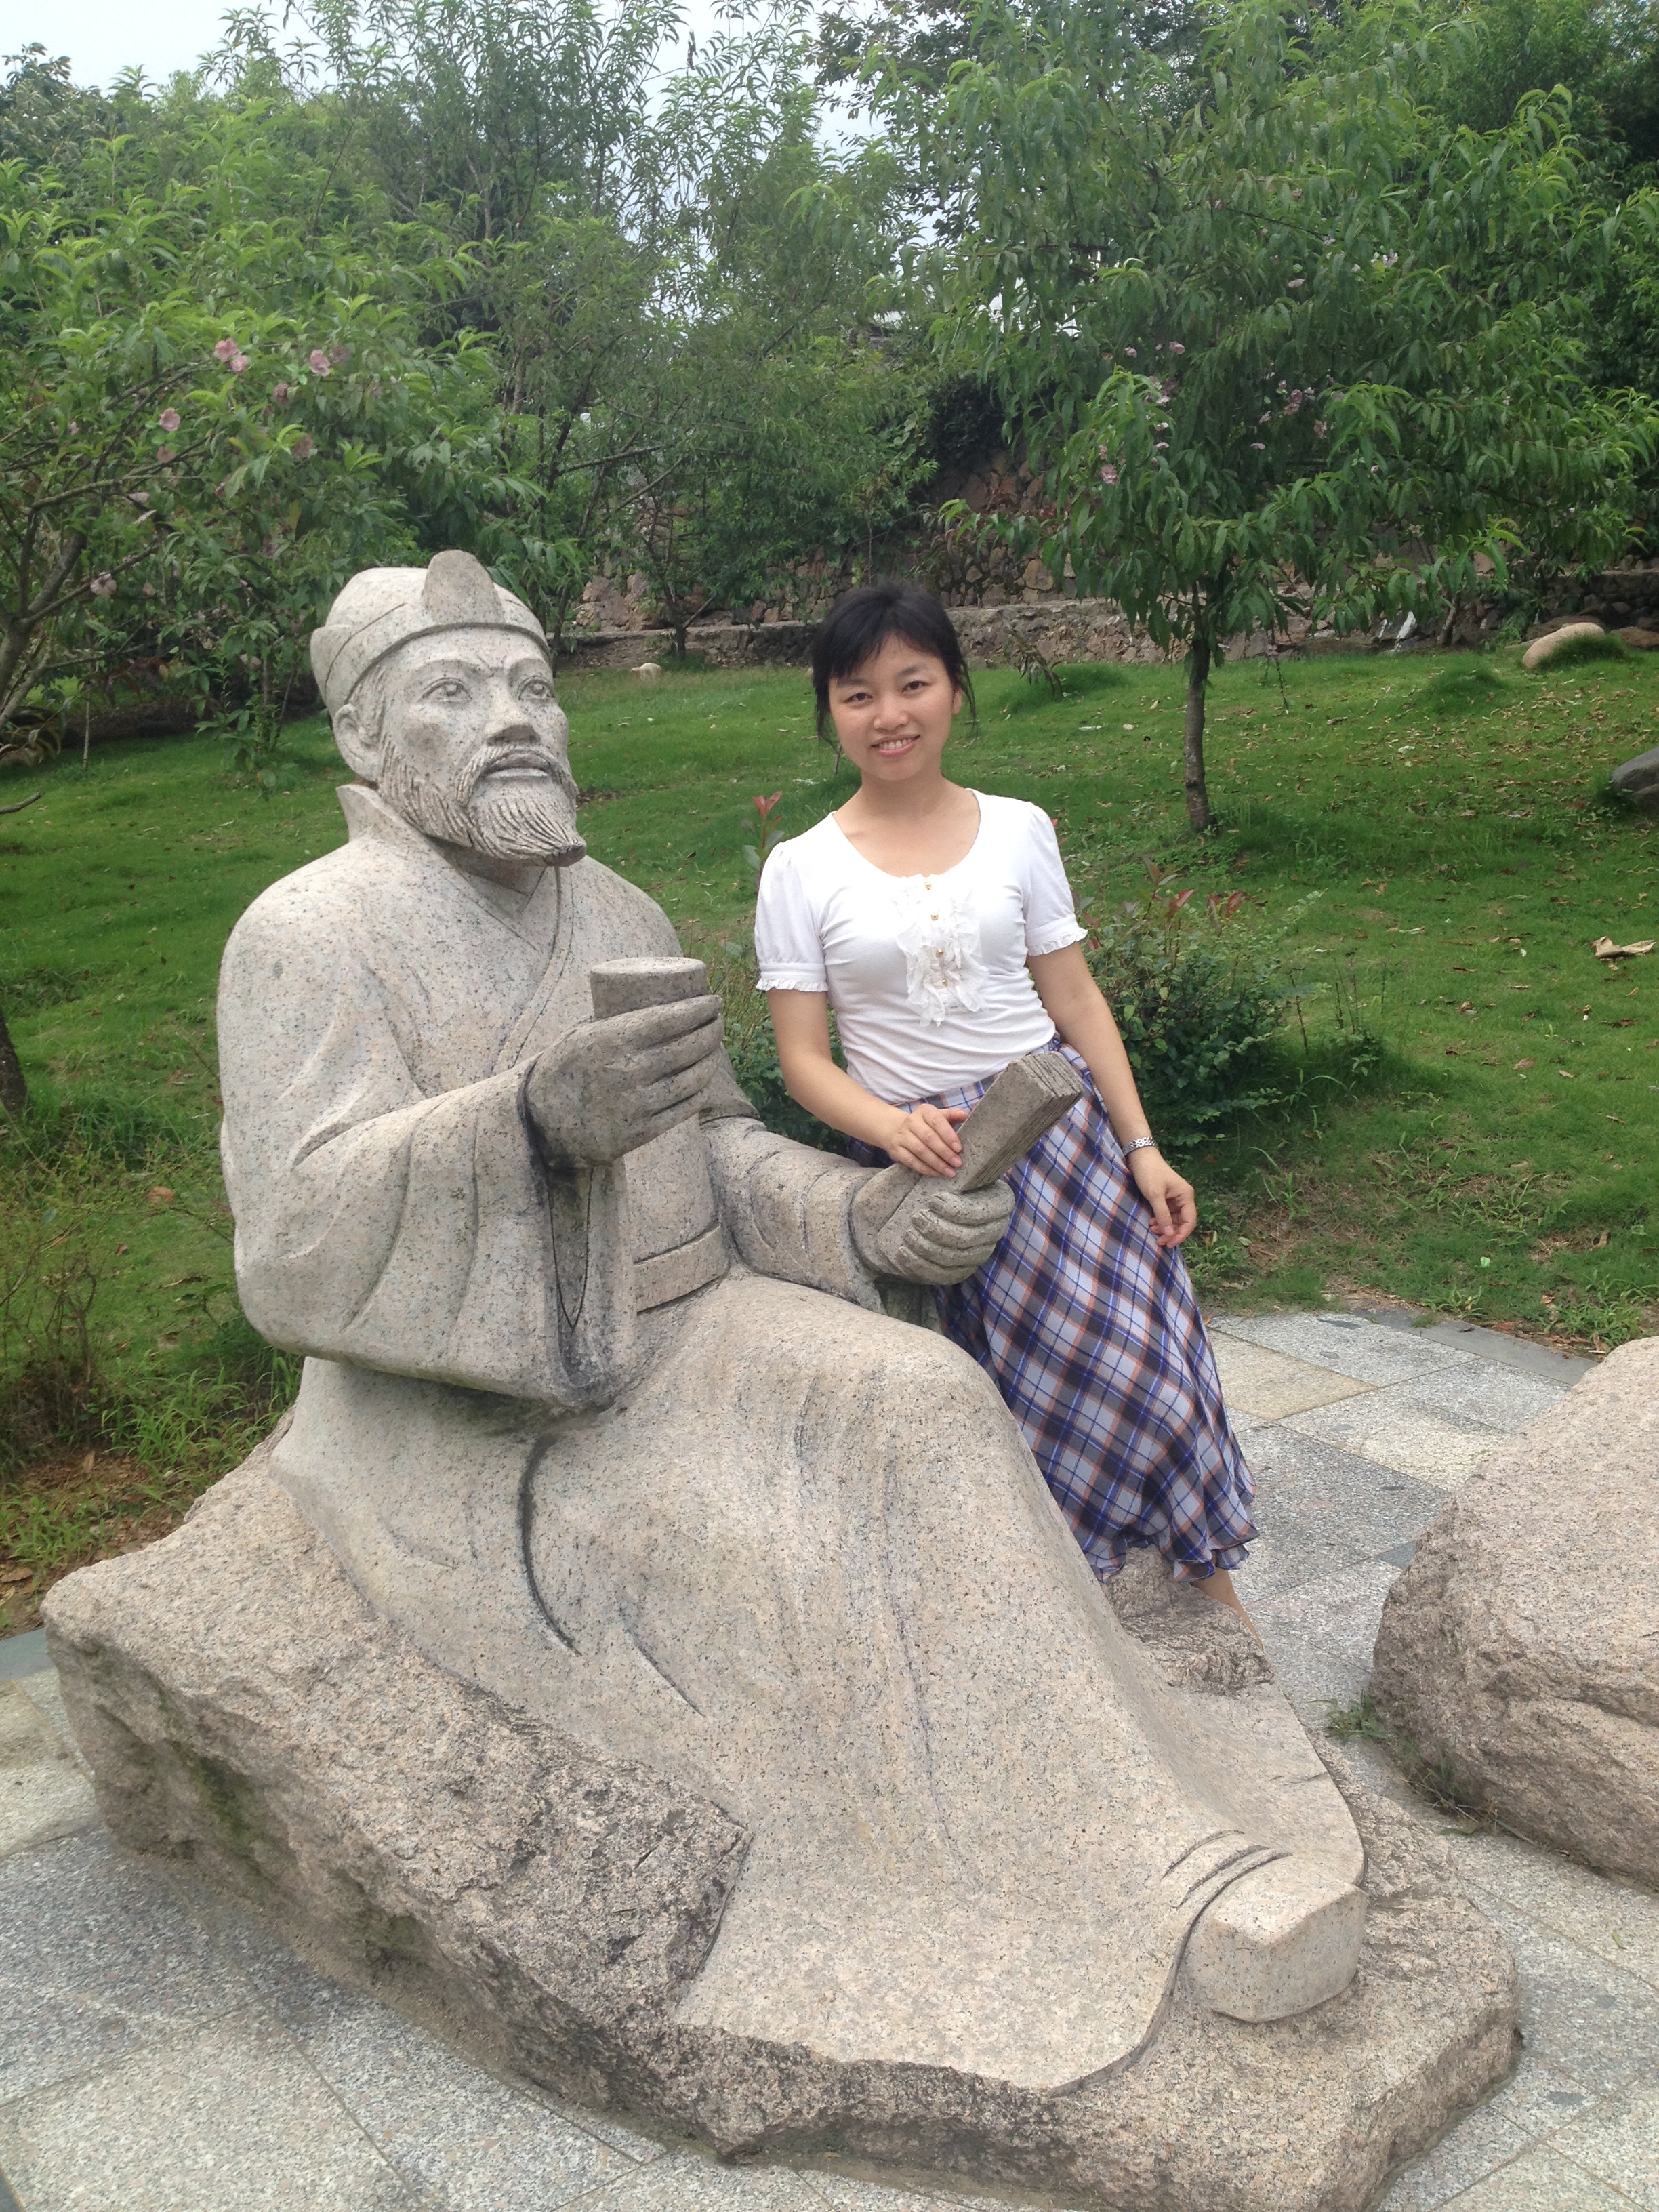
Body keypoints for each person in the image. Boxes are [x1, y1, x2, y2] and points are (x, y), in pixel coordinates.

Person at [756, 582, 1256, 1618]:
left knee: (1154, 1381)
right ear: (830, 710)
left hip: (1063, 1144)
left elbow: (1076, 1001)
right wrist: (890, 1127)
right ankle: (1056, 1621)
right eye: (859, 694)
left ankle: (1208, 1601)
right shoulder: (798, 869)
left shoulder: (1019, 830)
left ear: (954, 688)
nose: (889, 715)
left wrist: (1143, 1148)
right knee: (1005, 1411)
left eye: (913, 684)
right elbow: (803, 1059)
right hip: (934, 1174)